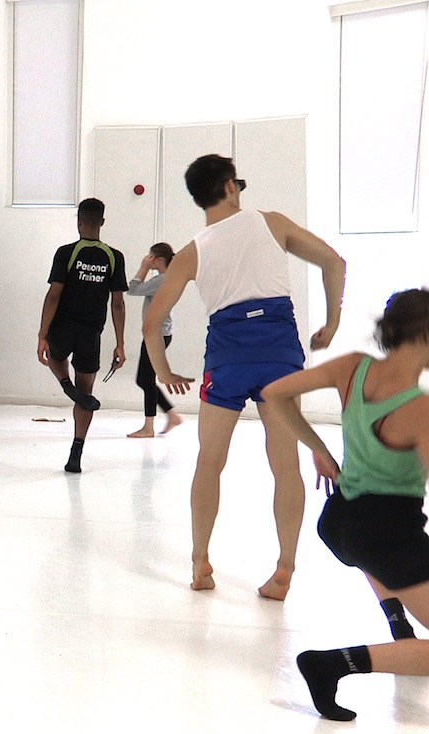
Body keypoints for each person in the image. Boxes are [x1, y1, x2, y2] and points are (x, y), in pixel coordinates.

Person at [142, 154, 346, 599]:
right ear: (231, 187)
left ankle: (200, 562)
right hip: (280, 355)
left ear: (200, 198)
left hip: (228, 357)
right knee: (285, 466)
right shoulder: (271, 223)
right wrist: (331, 324)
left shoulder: (191, 251)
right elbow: (334, 262)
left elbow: (151, 322)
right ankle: (284, 571)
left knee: (209, 462)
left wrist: (163, 372)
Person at [260, 289, 429, 721]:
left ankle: (397, 619)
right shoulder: (420, 409)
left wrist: (318, 448)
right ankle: (333, 664)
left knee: (375, 551)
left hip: (340, 520)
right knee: (388, 551)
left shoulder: (353, 367)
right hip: (388, 533)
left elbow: (275, 393)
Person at [37, 198, 127, 473]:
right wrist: (120, 344)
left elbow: (54, 295)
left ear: (79, 221)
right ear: (102, 222)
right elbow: (117, 303)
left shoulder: (66, 252)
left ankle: (65, 384)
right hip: (92, 332)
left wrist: (42, 334)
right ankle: (76, 451)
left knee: (53, 354)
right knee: (86, 392)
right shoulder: (114, 256)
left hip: (63, 326)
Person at [125, 242, 183, 438]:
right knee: (144, 379)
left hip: (156, 335)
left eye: (150, 257)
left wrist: (142, 267)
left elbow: (132, 289)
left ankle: (149, 427)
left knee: (146, 379)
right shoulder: (166, 278)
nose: (148, 259)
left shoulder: (162, 280)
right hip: (158, 334)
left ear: (158, 259)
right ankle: (172, 415)